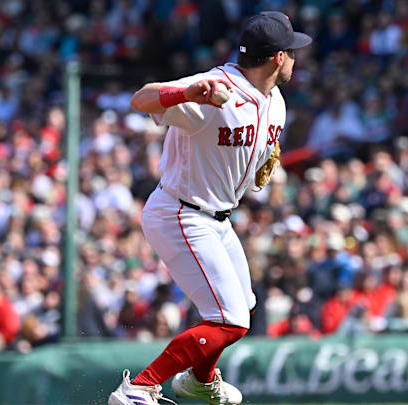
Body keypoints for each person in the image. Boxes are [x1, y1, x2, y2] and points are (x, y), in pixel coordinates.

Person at [107, 11, 311, 405]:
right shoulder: (214, 88)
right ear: (277, 59)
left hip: (217, 217)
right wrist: (188, 93)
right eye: (291, 51)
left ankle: (200, 379)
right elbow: (141, 98)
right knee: (228, 319)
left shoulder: (276, 102)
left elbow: (252, 159)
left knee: (243, 309)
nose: (294, 59)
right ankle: (140, 387)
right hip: (181, 212)